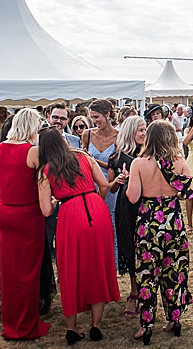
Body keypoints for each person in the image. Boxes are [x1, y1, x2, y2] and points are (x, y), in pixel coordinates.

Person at [38, 129, 119, 345]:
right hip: (96, 210)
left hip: (70, 215)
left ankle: (72, 328)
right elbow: (104, 185)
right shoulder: (84, 156)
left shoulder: (45, 171)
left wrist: (57, 201)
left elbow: (46, 210)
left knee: (70, 270)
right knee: (98, 267)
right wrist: (95, 200)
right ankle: (96, 326)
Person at [126, 121, 193, 344]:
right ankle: (174, 320)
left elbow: (133, 197)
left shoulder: (138, 163)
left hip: (148, 223)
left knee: (147, 274)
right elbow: (186, 194)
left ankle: (146, 326)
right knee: (173, 270)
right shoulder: (180, 162)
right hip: (173, 223)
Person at [0, 109, 50, 340]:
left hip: (6, 211)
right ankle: (26, 324)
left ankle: (11, 320)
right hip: (28, 214)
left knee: (10, 269)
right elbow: (42, 185)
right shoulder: (33, 151)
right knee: (28, 271)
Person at [108, 115, 146, 317]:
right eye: (140, 130)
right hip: (127, 207)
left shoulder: (150, 154)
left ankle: (146, 290)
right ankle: (134, 292)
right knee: (131, 248)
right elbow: (110, 188)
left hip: (147, 206)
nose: (143, 133)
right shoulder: (117, 157)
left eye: (145, 130)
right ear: (130, 132)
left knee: (145, 248)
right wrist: (120, 180)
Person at [81, 99, 119, 267]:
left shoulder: (119, 136)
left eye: (97, 117)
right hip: (91, 184)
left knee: (111, 223)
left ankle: (111, 261)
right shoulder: (87, 134)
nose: (94, 121)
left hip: (112, 185)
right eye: (92, 117)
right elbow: (83, 158)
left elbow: (117, 164)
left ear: (107, 114)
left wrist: (93, 160)